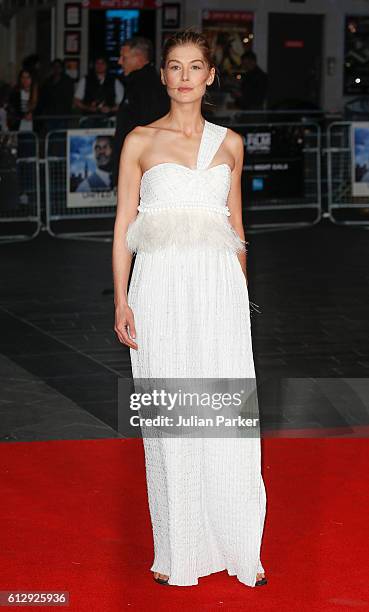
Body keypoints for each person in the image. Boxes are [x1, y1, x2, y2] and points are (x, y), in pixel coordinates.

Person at [112, 29, 267, 588]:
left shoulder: (230, 144)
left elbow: (236, 226)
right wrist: (123, 298)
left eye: (194, 66)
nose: (183, 76)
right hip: (160, 286)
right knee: (175, 417)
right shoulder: (139, 141)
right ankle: (179, 551)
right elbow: (123, 228)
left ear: (210, 76)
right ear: (163, 76)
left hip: (217, 286)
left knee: (226, 414)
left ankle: (238, 541)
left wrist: (239, 296)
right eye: (174, 66)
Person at [112, 36, 170, 186]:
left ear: (138, 59)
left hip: (140, 169)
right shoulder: (137, 83)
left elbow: (148, 124)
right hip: (136, 166)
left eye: (123, 58)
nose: (119, 62)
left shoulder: (146, 86)